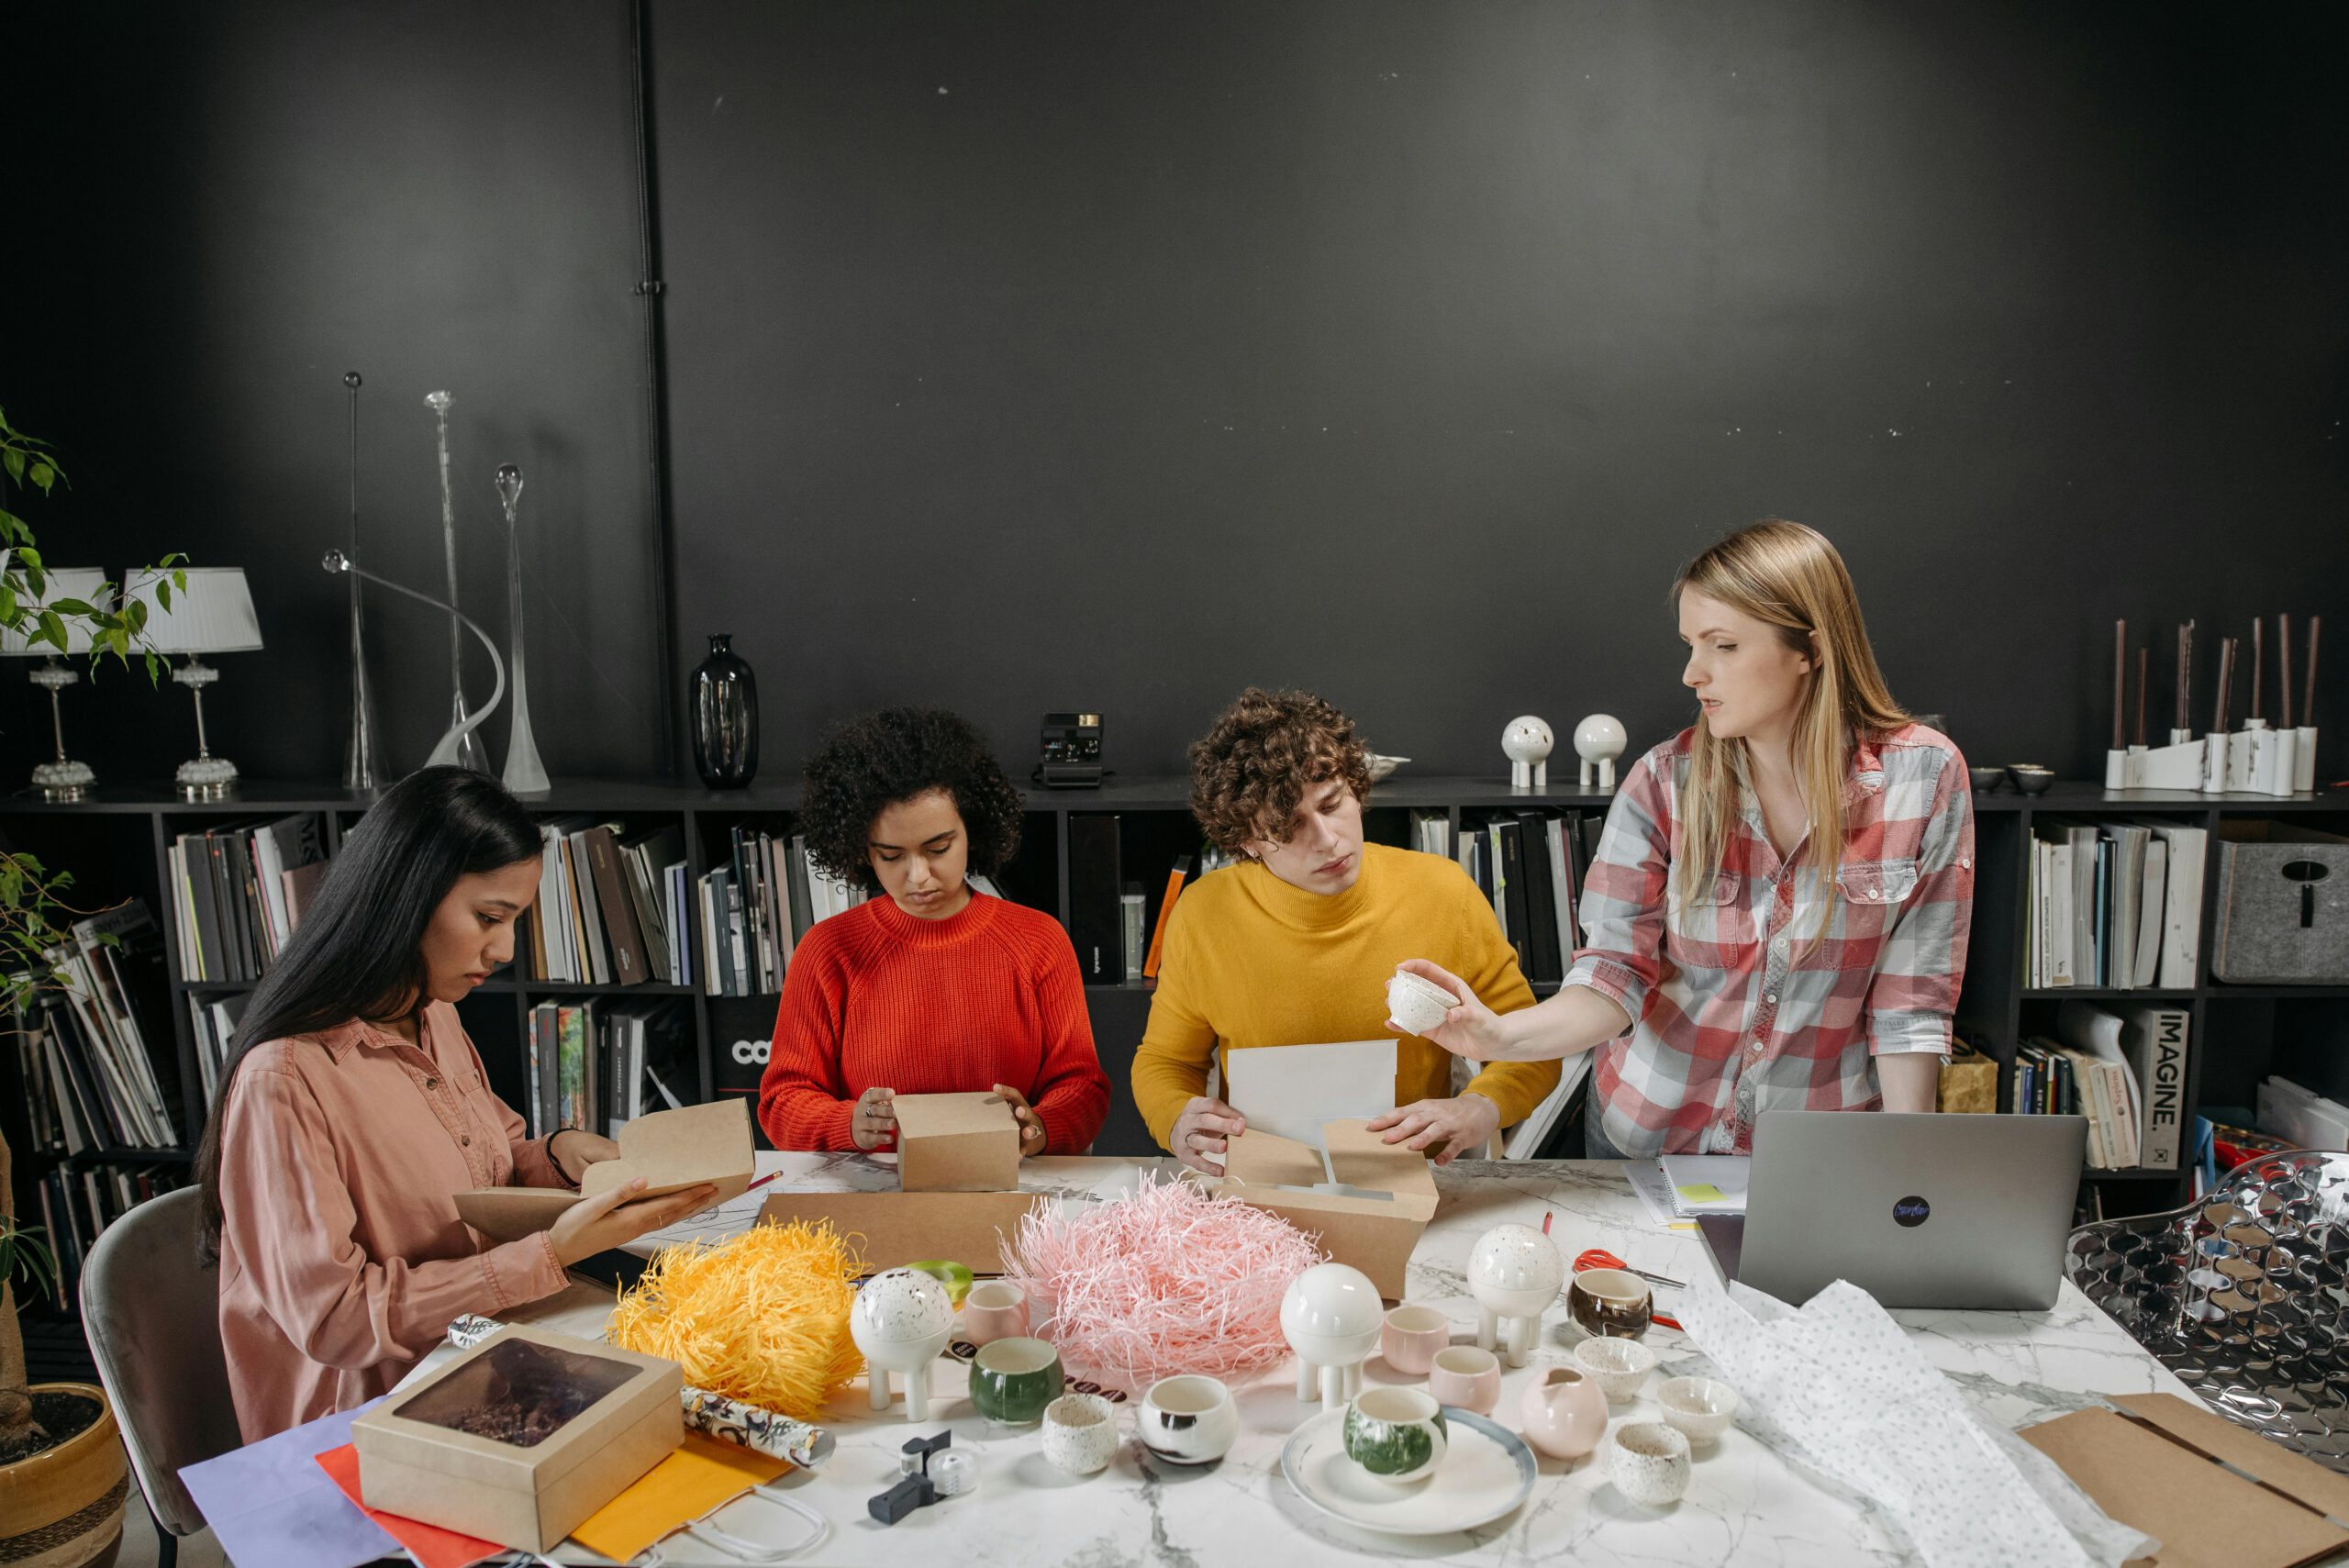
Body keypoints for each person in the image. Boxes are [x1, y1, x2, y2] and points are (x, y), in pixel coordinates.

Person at [1401, 519, 1975, 1160]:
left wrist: (1910, 1171)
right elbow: (1614, 975)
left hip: (1815, 1153)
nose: (1692, 673)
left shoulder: (1924, 779)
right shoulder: (1662, 783)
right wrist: (1497, 1037)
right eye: (1690, 644)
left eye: (1723, 644)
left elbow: (1911, 1001)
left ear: (1810, 648)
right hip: (1649, 1142)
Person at [199, 768, 717, 1442]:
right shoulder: (287, 1079)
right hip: (368, 1422)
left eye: (513, 921)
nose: (502, 950)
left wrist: (556, 1153)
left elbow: (488, 1165)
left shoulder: (431, 1010)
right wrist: (546, 1254)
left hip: (482, 1352)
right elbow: (334, 1318)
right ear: (405, 897)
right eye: (487, 918)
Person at [1132, 688, 1560, 1172]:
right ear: (1248, 841)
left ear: (1355, 788)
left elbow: (1531, 1048)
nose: (1327, 839)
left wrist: (1480, 1108)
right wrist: (1175, 1119)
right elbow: (1166, 1063)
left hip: (1419, 1185)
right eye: (1289, 827)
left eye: (1333, 804)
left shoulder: (1443, 892)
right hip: (1262, 1192)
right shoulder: (1203, 914)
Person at [759, 707, 1111, 1155]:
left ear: (973, 832)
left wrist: (1038, 1127)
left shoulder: (1039, 942)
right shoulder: (829, 950)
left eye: (938, 848)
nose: (918, 876)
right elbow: (782, 1099)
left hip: (1011, 1189)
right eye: (891, 855)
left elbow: (1082, 1086)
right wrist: (847, 1124)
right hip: (876, 1198)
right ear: (860, 849)